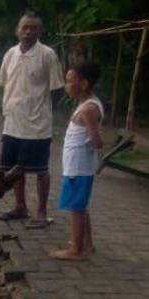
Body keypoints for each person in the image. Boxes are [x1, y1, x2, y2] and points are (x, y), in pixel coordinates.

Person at [0, 13, 64, 229]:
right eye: (25, 28)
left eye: (33, 28)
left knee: (41, 170)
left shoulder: (47, 55)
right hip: (12, 123)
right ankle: (20, 207)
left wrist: (49, 116)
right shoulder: (10, 54)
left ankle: (41, 212)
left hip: (37, 127)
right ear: (17, 30)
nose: (29, 32)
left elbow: (57, 89)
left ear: (39, 32)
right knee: (12, 170)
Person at [50, 63, 103, 260]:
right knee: (80, 206)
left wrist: (98, 140)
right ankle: (86, 244)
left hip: (79, 167)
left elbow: (96, 141)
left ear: (84, 83)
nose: (66, 85)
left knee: (76, 208)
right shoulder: (86, 105)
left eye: (70, 81)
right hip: (77, 165)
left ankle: (76, 250)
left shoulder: (88, 109)